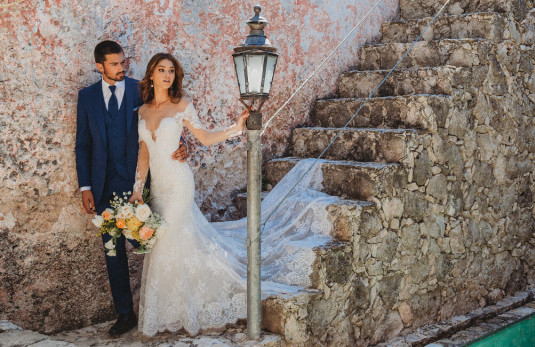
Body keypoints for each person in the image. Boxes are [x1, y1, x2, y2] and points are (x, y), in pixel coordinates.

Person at [130, 52, 340, 337]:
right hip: (158, 188)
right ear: (151, 74)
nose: (167, 75)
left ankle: (188, 309)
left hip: (179, 184)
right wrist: (136, 192)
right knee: (163, 245)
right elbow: (144, 154)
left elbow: (203, 137)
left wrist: (235, 129)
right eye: (161, 70)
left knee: (167, 235)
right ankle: (170, 310)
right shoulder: (142, 112)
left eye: (171, 71)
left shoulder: (182, 105)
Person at [74, 41, 188, 337]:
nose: (122, 68)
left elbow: (167, 118)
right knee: (113, 252)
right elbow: (83, 144)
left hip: (139, 185)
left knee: (152, 244)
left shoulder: (141, 89)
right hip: (101, 188)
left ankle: (167, 307)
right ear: (100, 66)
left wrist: (181, 144)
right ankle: (125, 314)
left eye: (123, 62)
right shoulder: (85, 97)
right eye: (114, 64)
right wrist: (85, 186)